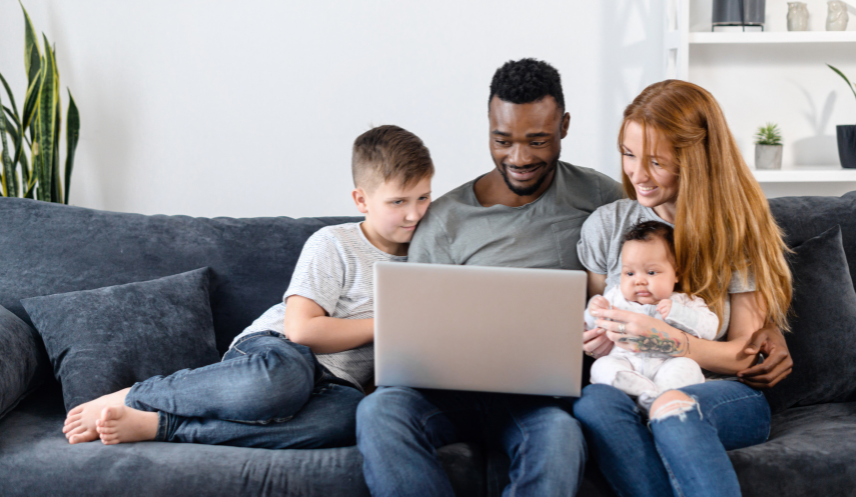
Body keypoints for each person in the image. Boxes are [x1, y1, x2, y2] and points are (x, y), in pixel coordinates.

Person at [61, 125, 434, 448]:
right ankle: (137, 396)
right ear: (361, 200)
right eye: (398, 202)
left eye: (423, 197)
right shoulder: (334, 243)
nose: (415, 213)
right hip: (278, 352)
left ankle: (164, 427)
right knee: (286, 380)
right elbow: (301, 330)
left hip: (337, 384)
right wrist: (388, 324)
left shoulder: (428, 257)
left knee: (348, 419)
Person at [355, 58, 623, 497]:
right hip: (446, 392)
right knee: (378, 411)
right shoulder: (444, 218)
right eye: (502, 140)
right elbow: (417, 326)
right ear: (488, 128)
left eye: (537, 140)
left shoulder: (599, 197)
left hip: (539, 398)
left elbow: (650, 265)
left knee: (560, 439)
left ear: (565, 126)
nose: (518, 158)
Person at [575, 79, 794, 497]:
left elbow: (742, 358)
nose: (638, 174)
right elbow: (596, 319)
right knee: (594, 405)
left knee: (669, 403)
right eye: (628, 154)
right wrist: (594, 340)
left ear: (696, 160)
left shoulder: (735, 233)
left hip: (719, 391)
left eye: (656, 161)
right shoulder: (608, 226)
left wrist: (671, 340)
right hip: (629, 379)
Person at [585, 220, 717, 410]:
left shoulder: (684, 301)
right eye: (629, 273)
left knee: (688, 367)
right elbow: (591, 325)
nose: (639, 281)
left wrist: (678, 313)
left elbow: (710, 329)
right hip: (626, 361)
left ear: (676, 274)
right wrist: (593, 309)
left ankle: (660, 398)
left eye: (651, 272)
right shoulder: (615, 298)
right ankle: (642, 392)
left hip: (668, 363)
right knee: (602, 366)